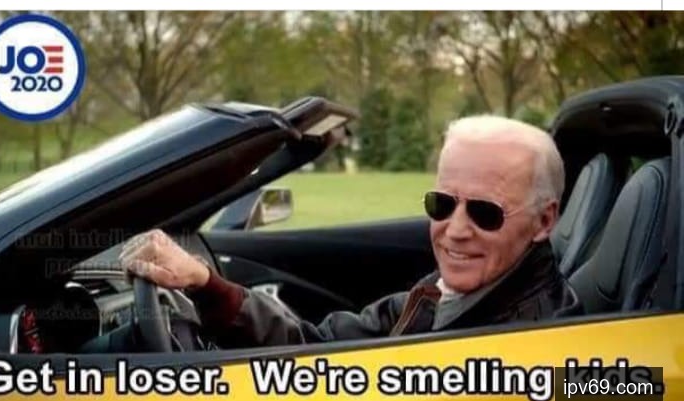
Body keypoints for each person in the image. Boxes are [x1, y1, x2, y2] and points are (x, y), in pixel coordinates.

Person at [119, 115, 576, 348]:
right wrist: (206, 285)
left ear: (544, 221)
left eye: (485, 213)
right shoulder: (447, 296)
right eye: (442, 204)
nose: (455, 231)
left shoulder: (519, 345)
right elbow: (316, 348)